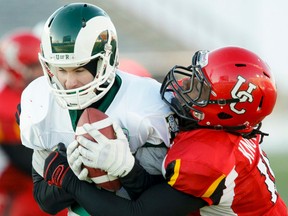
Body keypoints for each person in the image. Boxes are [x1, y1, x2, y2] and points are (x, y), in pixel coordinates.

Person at [43, 46, 287, 215]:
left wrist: (69, 181)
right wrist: (128, 170)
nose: (185, 85)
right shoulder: (225, 131)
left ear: (224, 111)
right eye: (194, 77)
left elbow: (136, 213)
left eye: (199, 88)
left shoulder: (211, 158)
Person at [18, 2, 177, 215]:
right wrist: (72, 174)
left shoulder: (147, 102)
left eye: (79, 69)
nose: (69, 82)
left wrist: (128, 170)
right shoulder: (39, 101)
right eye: (61, 70)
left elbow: (163, 203)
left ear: (107, 60)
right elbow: (46, 201)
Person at [0, 29, 59, 215]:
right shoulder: (8, 105)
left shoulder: (38, 95)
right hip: (21, 187)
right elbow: (26, 160)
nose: (41, 72)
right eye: (34, 66)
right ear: (15, 67)